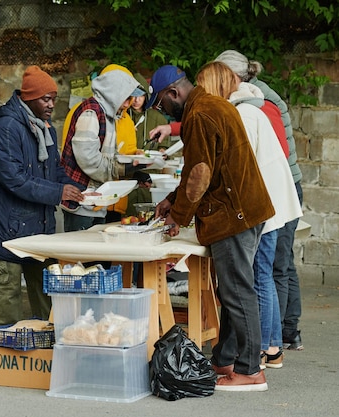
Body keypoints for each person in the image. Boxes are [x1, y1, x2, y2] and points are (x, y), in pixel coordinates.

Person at [148, 64, 275, 391]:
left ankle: (249, 370)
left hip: (233, 214)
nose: (162, 112)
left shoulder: (199, 115)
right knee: (233, 289)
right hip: (243, 210)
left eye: (161, 104)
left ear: (173, 93)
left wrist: (178, 216)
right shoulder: (209, 105)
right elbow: (200, 165)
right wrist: (174, 200)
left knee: (237, 290)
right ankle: (225, 358)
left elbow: (201, 174)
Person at [196, 61, 302, 370]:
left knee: (255, 281)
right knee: (260, 277)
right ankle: (263, 349)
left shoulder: (241, 113)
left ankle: (259, 353)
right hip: (270, 205)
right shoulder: (250, 108)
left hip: (261, 209)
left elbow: (235, 168)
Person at [0, 65, 85, 326]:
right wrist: (59, 192)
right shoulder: (6, 129)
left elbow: (55, 170)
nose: (51, 105)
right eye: (45, 99)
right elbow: (14, 179)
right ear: (28, 98)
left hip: (38, 231)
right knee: (7, 302)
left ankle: (45, 357)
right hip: (5, 231)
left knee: (47, 298)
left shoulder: (46, 127)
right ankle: (4, 360)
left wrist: (77, 191)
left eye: (53, 99)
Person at [60, 67, 146, 231]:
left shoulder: (109, 114)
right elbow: (88, 159)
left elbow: (110, 155)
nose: (128, 104)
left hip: (96, 199)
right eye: (126, 98)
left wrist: (132, 172)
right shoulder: (91, 113)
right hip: (80, 200)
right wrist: (121, 170)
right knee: (80, 254)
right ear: (114, 94)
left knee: (95, 254)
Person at [129, 73, 171, 151]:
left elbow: (164, 145)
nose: (136, 100)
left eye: (141, 95)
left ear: (146, 96)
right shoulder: (121, 116)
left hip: (150, 161)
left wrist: (162, 151)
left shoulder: (158, 118)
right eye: (133, 95)